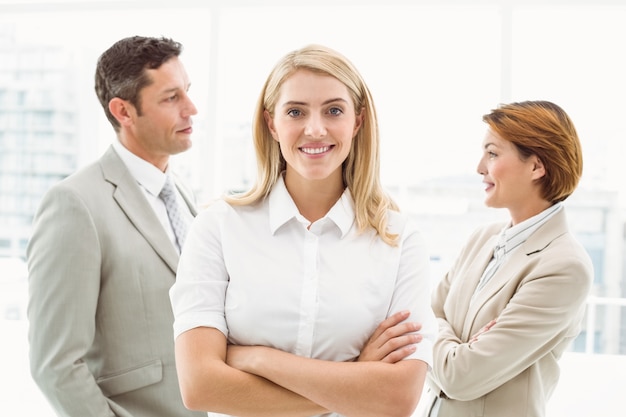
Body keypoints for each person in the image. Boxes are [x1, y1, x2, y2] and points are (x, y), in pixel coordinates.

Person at [169, 44, 437, 417]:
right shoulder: (218, 227)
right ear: (272, 123)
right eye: (295, 111)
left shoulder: (399, 239)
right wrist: (356, 378)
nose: (315, 129)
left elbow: (398, 398)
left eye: (334, 110)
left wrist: (259, 359)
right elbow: (200, 387)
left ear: (357, 122)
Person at [26, 36, 205, 417]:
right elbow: (55, 365)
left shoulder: (184, 195)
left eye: (187, 92)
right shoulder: (74, 204)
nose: (192, 109)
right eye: (171, 98)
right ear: (124, 111)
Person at [417, 100, 594, 417]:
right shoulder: (482, 239)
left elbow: (461, 377)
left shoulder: (565, 266)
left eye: (493, 153)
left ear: (537, 167)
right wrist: (453, 344)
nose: (480, 167)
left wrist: (438, 334)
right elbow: (420, 316)